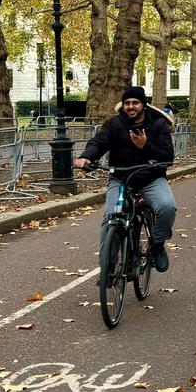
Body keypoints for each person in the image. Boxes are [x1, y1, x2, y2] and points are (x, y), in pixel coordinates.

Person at [74, 87, 177, 272]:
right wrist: (87, 157)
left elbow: (168, 156)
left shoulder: (159, 125)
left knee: (167, 206)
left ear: (143, 105)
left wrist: (146, 146)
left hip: (150, 178)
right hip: (120, 178)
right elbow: (99, 142)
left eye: (135, 103)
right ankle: (108, 266)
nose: (131, 107)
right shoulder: (114, 124)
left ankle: (158, 246)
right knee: (111, 218)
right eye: (127, 103)